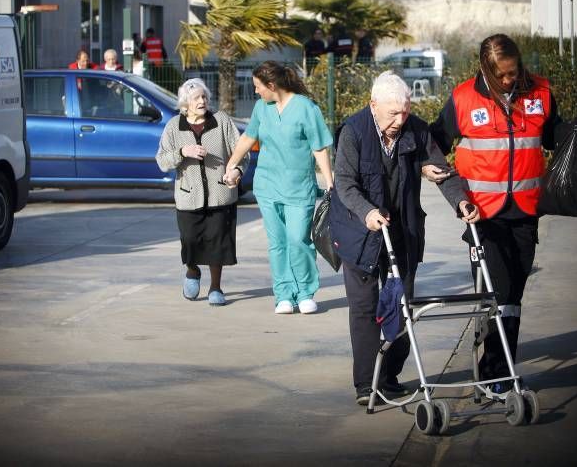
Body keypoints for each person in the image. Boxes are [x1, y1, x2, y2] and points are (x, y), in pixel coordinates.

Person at [329, 70, 480, 406]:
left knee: (402, 306)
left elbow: (443, 172)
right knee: (364, 309)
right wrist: (367, 211)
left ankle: (391, 375)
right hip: (359, 229)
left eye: (405, 111)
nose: (400, 119)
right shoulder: (354, 131)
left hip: (402, 230)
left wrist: (461, 201)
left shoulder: (417, 130)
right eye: (393, 112)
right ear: (373, 105)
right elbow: (345, 184)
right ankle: (367, 384)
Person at [429, 33, 563, 399]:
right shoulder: (462, 98)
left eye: (513, 72)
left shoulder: (541, 93)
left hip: (525, 211)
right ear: (485, 69)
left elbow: (556, 139)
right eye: (501, 75)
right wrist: (430, 168)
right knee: (496, 293)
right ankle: (495, 376)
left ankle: (496, 371)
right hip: (482, 214)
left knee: (513, 294)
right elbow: (433, 142)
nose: (508, 80)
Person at [224, 61, 334, 315]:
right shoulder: (262, 108)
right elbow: (248, 137)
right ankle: (283, 294)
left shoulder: (307, 108)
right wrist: (231, 165)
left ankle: (305, 292)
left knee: (298, 240)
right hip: (267, 186)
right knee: (278, 243)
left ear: (272, 85)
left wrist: (329, 182)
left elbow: (318, 147)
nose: (255, 91)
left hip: (299, 188)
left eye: (258, 86)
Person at [155, 78, 249, 307]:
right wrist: (182, 151)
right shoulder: (174, 126)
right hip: (188, 197)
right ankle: (192, 270)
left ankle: (216, 288)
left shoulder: (221, 121)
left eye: (204, 96)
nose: (203, 101)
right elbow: (162, 160)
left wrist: (236, 170)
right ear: (185, 103)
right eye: (197, 97)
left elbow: (241, 152)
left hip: (220, 194)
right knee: (189, 240)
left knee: (218, 243)